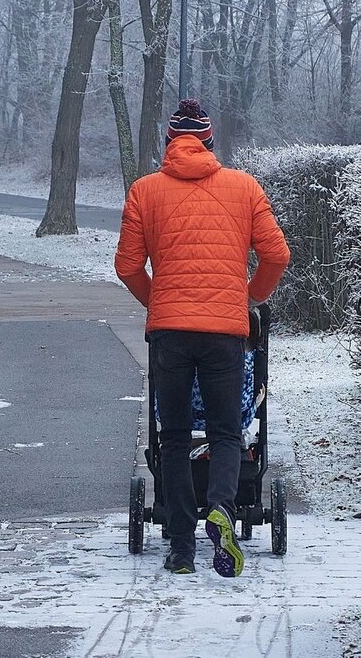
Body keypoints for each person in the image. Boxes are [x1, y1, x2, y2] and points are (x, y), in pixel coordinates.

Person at [115, 98, 290, 577]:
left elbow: (127, 266)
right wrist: (246, 298)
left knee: (172, 438)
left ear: (169, 144)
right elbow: (276, 255)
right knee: (226, 431)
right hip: (224, 335)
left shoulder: (144, 191)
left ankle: (181, 550)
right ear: (210, 143)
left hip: (170, 333)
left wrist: (159, 303)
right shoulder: (244, 187)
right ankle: (222, 508)